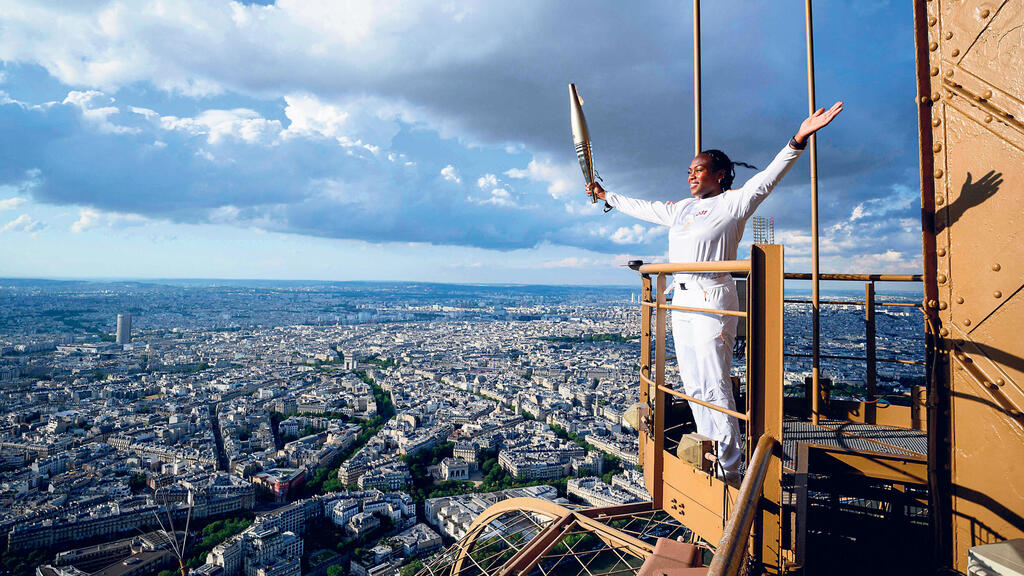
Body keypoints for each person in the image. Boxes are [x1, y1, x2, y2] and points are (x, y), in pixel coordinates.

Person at [586, 102, 843, 479]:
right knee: (693, 380)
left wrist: (798, 139)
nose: (691, 175)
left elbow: (768, 178)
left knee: (715, 379)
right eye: (689, 170)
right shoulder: (683, 209)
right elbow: (646, 208)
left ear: (720, 175)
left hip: (712, 296)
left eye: (699, 169)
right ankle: (709, 447)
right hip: (683, 299)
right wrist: (608, 196)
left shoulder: (733, 203)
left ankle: (730, 464)